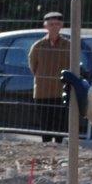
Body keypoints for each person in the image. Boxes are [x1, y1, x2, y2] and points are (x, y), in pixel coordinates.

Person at [28, 12, 70, 142]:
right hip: (42, 93)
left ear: (61, 25)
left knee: (60, 128)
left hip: (60, 92)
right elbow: (32, 66)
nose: (54, 27)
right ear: (45, 26)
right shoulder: (38, 46)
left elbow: (72, 66)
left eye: (57, 24)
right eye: (51, 24)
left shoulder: (68, 46)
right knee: (45, 128)